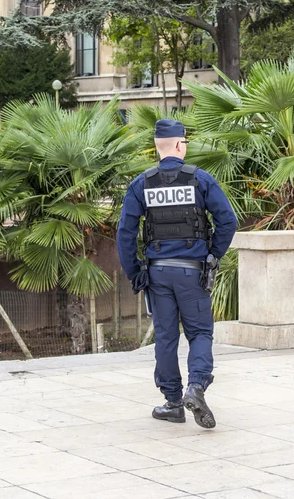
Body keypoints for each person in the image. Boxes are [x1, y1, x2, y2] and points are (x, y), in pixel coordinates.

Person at [116, 119, 237, 428]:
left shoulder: (141, 183)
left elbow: (125, 234)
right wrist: (213, 255)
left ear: (158, 147)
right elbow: (228, 221)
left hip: (157, 274)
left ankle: (173, 403)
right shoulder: (200, 179)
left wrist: (135, 272)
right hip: (192, 273)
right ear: (181, 145)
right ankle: (195, 387)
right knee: (199, 333)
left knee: (166, 337)